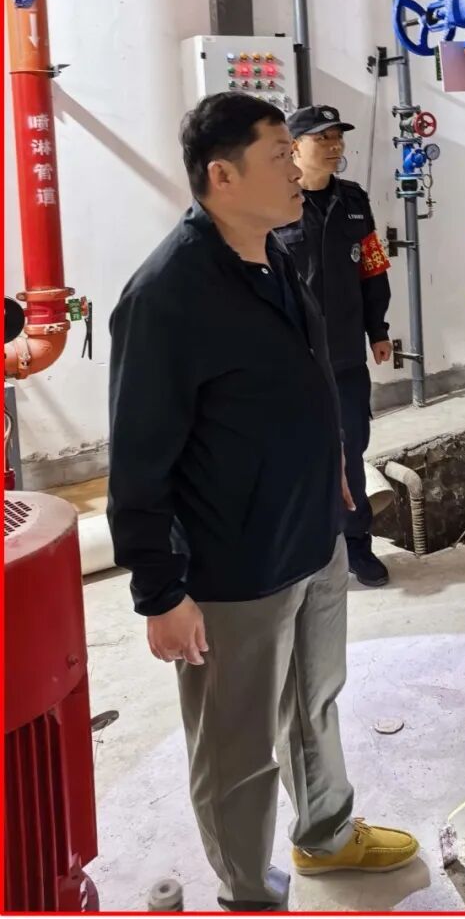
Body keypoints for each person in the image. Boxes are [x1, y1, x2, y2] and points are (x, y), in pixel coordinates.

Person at [107, 93, 418, 913]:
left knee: (315, 701)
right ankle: (248, 890)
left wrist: (335, 467)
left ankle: (326, 834)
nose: (296, 168)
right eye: (280, 155)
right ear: (223, 175)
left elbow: (307, 374)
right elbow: (137, 463)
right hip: (234, 563)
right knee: (237, 744)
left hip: (313, 532)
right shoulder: (166, 295)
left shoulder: (275, 255)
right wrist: (159, 593)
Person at [278, 104, 393, 588]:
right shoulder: (275, 203)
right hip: (291, 361)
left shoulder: (354, 202)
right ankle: (302, 549)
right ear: (294, 147)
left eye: (337, 137)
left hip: (344, 355)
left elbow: (372, 268)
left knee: (351, 448)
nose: (334, 145)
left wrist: (378, 329)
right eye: (322, 138)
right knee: (295, 453)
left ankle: (356, 545)